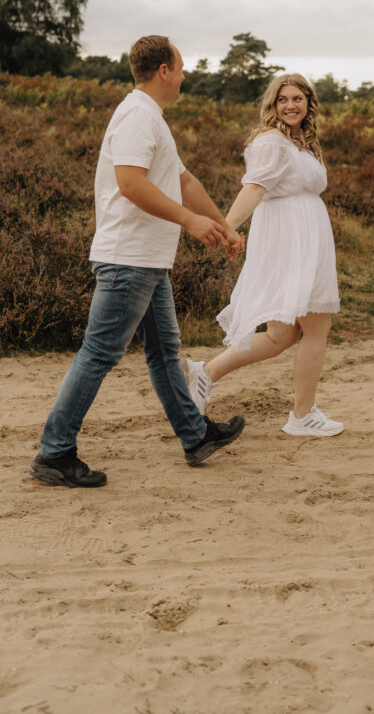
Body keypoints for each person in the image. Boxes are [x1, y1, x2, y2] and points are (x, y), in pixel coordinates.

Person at [29, 36, 246, 487]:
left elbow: (185, 182)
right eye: (180, 68)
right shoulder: (137, 116)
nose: (184, 76)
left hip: (146, 260)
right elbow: (129, 183)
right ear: (164, 70)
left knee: (164, 352)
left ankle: (195, 435)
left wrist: (223, 226)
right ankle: (54, 452)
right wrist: (189, 221)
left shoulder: (152, 118)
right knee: (99, 354)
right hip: (128, 259)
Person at [183, 74, 343, 437]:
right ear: (273, 105)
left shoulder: (303, 142)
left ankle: (205, 374)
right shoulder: (272, 140)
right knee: (317, 328)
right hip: (290, 241)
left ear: (308, 102)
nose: (290, 105)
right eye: (282, 99)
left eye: (297, 98)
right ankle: (302, 416)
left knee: (280, 336)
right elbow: (254, 188)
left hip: (305, 238)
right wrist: (227, 227)